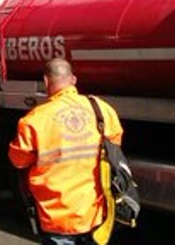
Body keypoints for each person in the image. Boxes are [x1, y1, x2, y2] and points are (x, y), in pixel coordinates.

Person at [9, 58, 124, 245]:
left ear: (46, 82)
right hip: (94, 215)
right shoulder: (101, 109)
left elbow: (18, 160)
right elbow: (115, 149)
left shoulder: (34, 119)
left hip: (57, 218)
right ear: (74, 80)